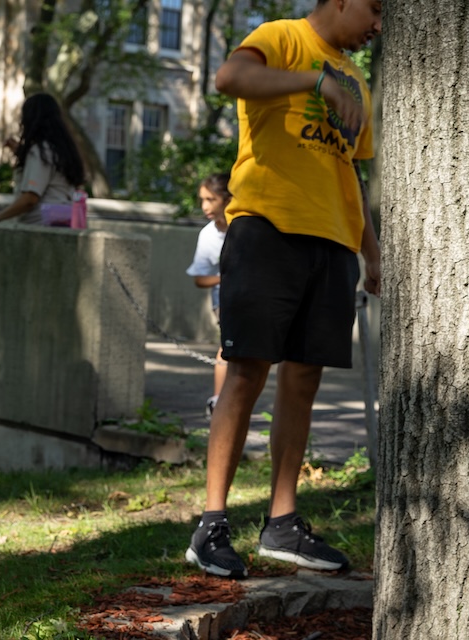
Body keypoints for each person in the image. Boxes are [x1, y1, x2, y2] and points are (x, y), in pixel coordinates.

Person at [185, 0, 382, 579]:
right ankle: (211, 526)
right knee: (246, 372)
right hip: (266, 228)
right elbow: (229, 78)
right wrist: (313, 77)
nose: (377, 25)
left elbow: (352, 169)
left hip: (333, 244)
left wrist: (370, 251)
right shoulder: (283, 37)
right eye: (373, 9)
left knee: (303, 383)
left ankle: (282, 523)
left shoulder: (358, 81)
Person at [0, 92, 85, 224]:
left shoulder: (40, 152)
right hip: (63, 223)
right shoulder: (60, 149)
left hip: (40, 227)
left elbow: (30, 199)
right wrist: (21, 152)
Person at [185, 173, 231, 419]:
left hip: (256, 295)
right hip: (225, 300)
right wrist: (228, 278)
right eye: (201, 200)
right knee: (229, 347)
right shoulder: (208, 235)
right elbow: (200, 279)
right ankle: (218, 401)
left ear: (226, 198)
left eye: (210, 199)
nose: (204, 206)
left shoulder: (246, 226)